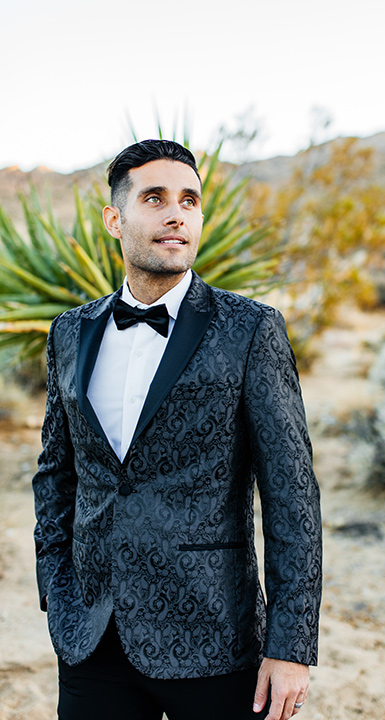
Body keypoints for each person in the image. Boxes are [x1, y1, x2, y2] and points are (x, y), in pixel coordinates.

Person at [32, 139, 322, 720]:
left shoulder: (251, 330)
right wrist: (57, 591)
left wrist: (291, 647)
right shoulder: (70, 332)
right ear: (115, 219)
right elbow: (55, 473)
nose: (175, 214)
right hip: (92, 636)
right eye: (156, 198)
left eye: (189, 201)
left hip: (216, 637)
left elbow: (292, 495)